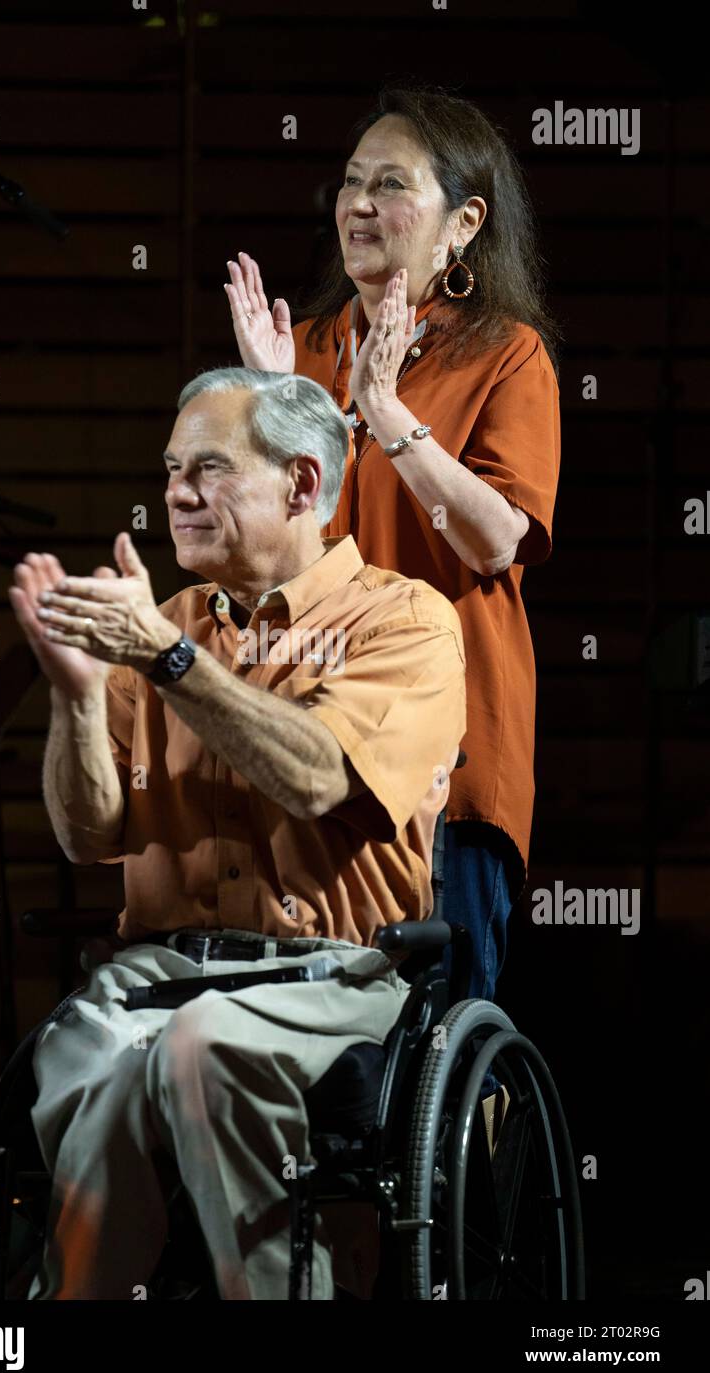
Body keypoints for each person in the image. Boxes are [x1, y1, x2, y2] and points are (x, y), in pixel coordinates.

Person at [8, 367, 466, 1300]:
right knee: (95, 1053)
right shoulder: (163, 625)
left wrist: (167, 663)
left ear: (301, 483)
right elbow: (88, 833)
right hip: (160, 968)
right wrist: (79, 696)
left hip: (336, 976)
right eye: (172, 469)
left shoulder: (403, 620)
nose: (174, 492)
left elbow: (314, 776)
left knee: (200, 1041)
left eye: (208, 469)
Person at [225, 84, 562, 1002]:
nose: (358, 204)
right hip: (310, 749)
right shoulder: (299, 349)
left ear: (462, 225)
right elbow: (250, 561)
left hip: (448, 760)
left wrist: (386, 415)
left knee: (437, 1042)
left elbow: (496, 541)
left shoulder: (504, 353)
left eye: (389, 184)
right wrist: (275, 408)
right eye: (348, 182)